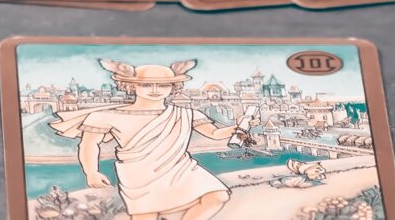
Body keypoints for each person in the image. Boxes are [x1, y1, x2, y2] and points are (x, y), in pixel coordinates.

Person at [48, 59, 250, 219]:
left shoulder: (186, 113)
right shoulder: (107, 116)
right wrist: (91, 173)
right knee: (146, 216)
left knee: (217, 196)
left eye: (163, 85)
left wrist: (239, 126)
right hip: (137, 173)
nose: (155, 89)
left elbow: (214, 134)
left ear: (173, 87)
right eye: (147, 84)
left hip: (180, 168)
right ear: (130, 86)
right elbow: (89, 144)